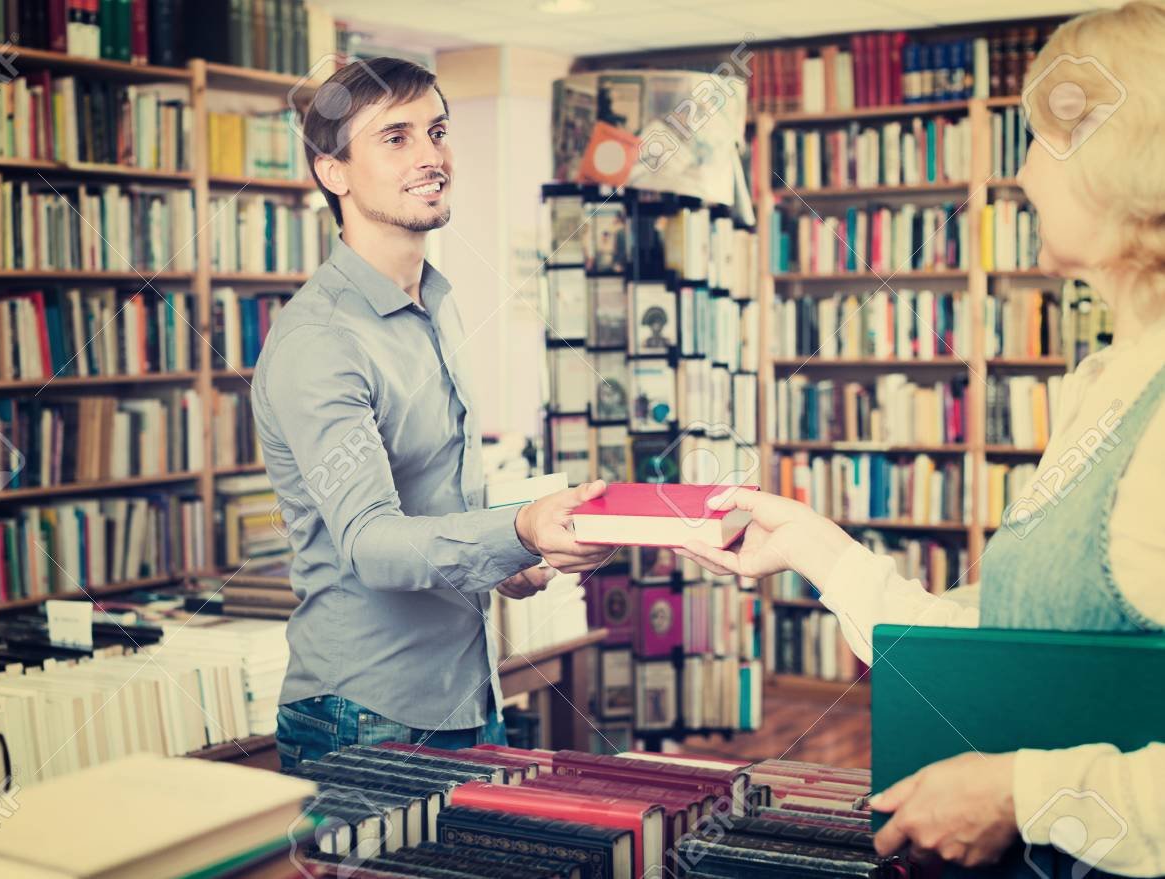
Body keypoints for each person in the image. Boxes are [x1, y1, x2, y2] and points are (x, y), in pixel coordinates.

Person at [679, 2, 1165, 875]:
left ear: (1118, 162)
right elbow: (997, 651)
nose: (1019, 176)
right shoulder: (1105, 381)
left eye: (1039, 142)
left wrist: (1026, 791)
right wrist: (816, 547)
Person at [251, 57, 614, 766]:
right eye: (396, 137)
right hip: (366, 714)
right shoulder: (320, 340)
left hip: (470, 694)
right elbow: (372, 544)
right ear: (334, 171)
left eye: (437, 130)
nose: (431, 155)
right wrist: (517, 525)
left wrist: (510, 555)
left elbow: (430, 508)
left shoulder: (433, 305)